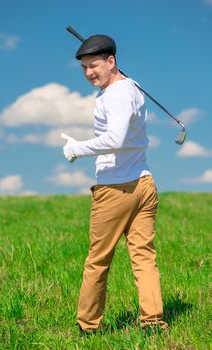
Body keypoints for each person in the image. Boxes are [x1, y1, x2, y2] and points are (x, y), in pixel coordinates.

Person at [61, 34, 168, 334]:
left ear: (111, 61)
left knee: (97, 261)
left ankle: (88, 327)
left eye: (94, 65)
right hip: (144, 185)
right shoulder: (130, 88)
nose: (88, 73)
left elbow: (117, 139)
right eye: (84, 67)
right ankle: (153, 322)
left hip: (116, 189)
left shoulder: (116, 94)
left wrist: (76, 148)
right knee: (144, 257)